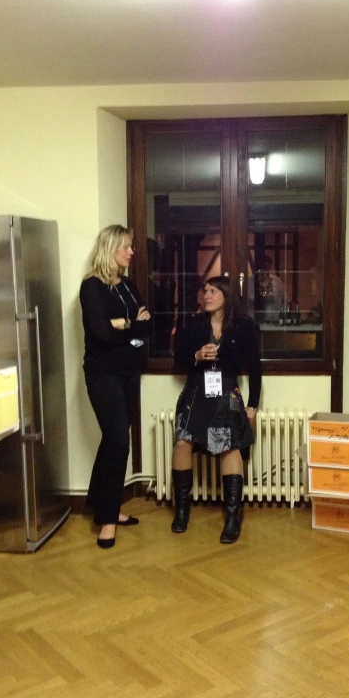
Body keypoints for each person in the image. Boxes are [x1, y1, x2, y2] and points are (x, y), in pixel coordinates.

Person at [171, 275, 262, 544]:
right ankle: (182, 510)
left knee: (228, 447)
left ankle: (233, 517)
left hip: (225, 390)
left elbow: (255, 368)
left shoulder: (243, 326)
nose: (206, 295)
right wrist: (196, 356)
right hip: (197, 389)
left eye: (213, 291)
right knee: (182, 443)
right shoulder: (195, 324)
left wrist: (253, 405)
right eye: (205, 291)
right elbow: (178, 359)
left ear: (226, 294)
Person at [79, 224, 151, 549]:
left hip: (128, 372)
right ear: (111, 248)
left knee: (113, 440)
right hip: (103, 373)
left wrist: (125, 324)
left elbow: (147, 324)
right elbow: (101, 335)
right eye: (127, 246)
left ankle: (98, 505)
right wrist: (129, 326)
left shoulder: (127, 284)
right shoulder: (92, 287)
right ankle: (108, 520)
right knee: (120, 442)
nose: (132, 252)